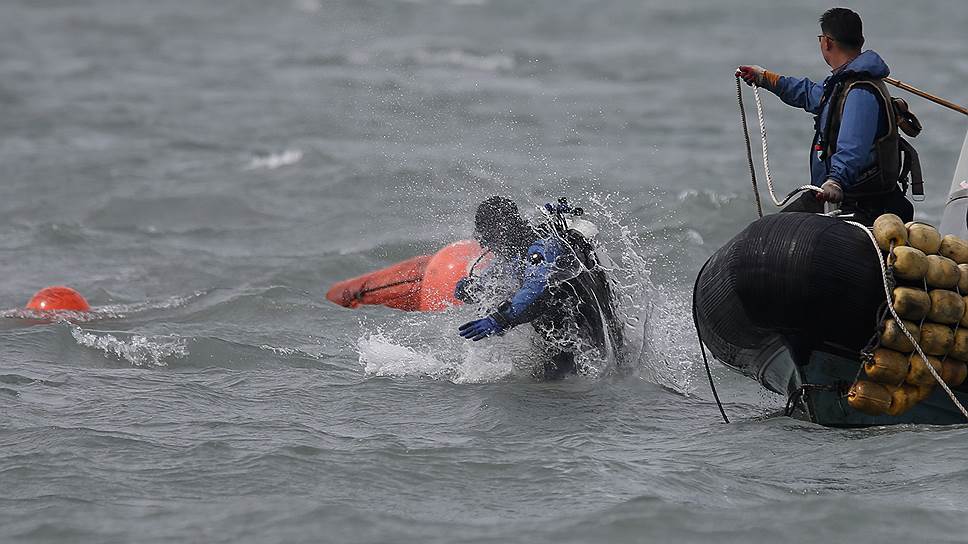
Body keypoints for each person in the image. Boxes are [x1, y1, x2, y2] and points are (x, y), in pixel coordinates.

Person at [737, 7, 920, 224]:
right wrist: (766, 78)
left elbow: (854, 147)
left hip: (858, 202)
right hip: (840, 195)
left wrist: (835, 181)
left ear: (827, 42)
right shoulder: (843, 85)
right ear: (860, 40)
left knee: (768, 233)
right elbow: (809, 94)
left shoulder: (860, 93)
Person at [455, 196, 622, 379]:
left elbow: (535, 288)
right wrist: (474, 289)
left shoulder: (540, 246)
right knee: (548, 379)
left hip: (584, 321)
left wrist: (499, 319)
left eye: (485, 234)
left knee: (562, 378)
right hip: (567, 323)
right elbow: (500, 276)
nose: (482, 242)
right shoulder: (514, 250)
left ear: (499, 230)